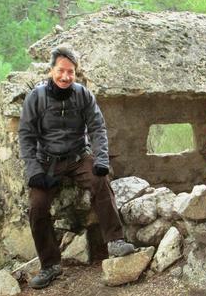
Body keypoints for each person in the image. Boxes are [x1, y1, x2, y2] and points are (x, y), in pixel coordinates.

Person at [19, 45, 135, 289]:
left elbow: (97, 127)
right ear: (52, 70)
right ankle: (50, 264)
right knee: (37, 206)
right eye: (61, 71)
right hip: (47, 162)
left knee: (100, 182)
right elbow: (26, 136)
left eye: (70, 72)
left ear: (75, 73)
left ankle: (114, 241)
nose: (65, 77)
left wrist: (101, 159)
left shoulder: (82, 95)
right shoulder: (36, 97)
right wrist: (35, 172)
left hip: (78, 156)